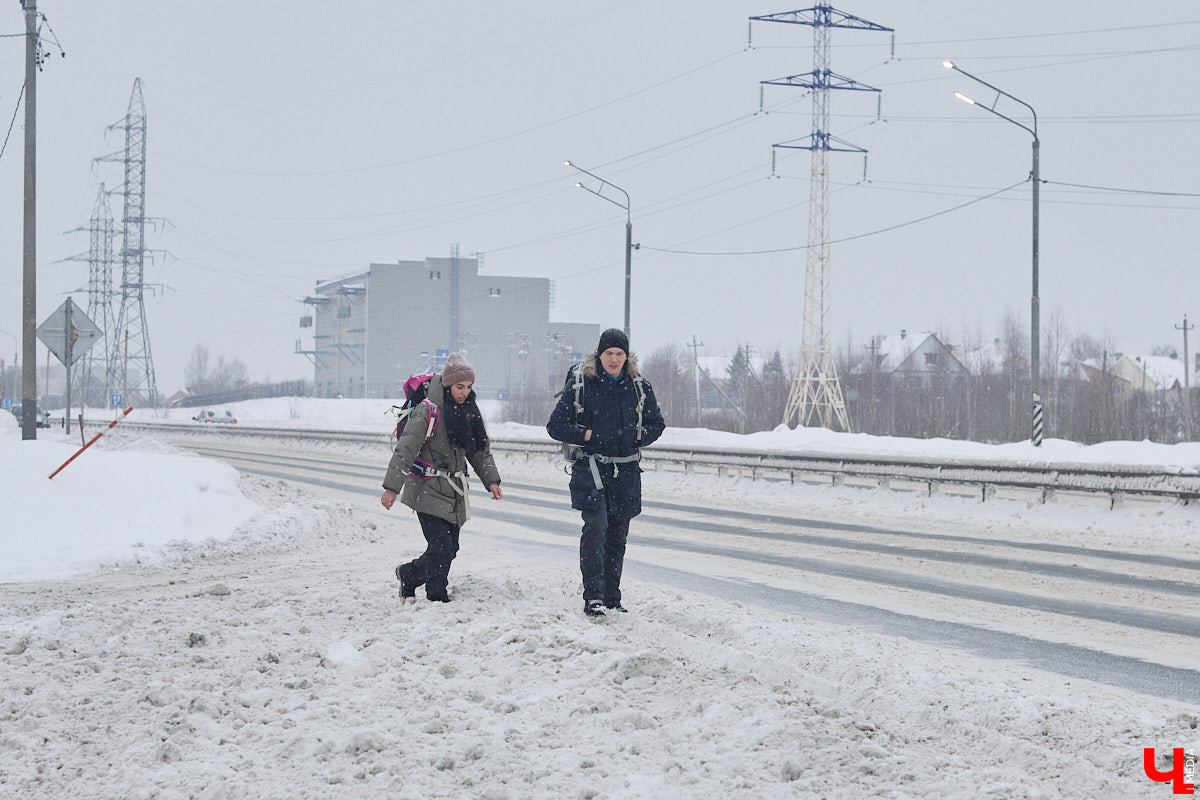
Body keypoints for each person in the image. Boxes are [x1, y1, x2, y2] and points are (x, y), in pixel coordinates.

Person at [547, 328, 666, 617]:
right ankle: (594, 597)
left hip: (626, 472)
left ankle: (612, 596)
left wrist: (639, 435)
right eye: (609, 354)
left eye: (619, 354)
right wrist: (585, 434)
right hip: (591, 469)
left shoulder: (639, 386)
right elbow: (555, 425)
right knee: (596, 527)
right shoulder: (583, 385)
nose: (614, 359)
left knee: (617, 534)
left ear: (627, 357)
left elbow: (657, 423)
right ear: (599, 355)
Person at [381, 352, 502, 602]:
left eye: (469, 387)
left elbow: (478, 450)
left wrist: (491, 480)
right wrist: (392, 488)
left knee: (450, 549)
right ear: (448, 385)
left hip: (454, 491)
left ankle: (409, 574)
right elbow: (406, 448)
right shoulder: (428, 410)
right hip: (426, 488)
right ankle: (437, 596)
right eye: (460, 387)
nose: (465, 392)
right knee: (441, 548)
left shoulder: (468, 410)